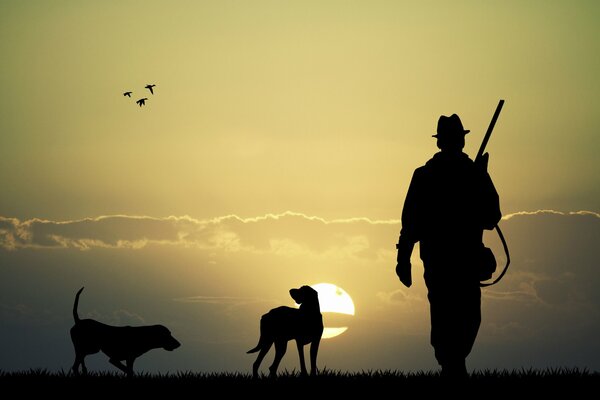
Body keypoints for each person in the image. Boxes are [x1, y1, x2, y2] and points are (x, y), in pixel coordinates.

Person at [395, 113, 501, 378]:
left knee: (446, 311)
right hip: (458, 258)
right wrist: (402, 259)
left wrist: (404, 259)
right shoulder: (462, 174)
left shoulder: (429, 175)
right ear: (459, 141)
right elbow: (492, 216)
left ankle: (451, 364)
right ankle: (453, 366)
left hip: (441, 258)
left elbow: (410, 223)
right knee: (462, 313)